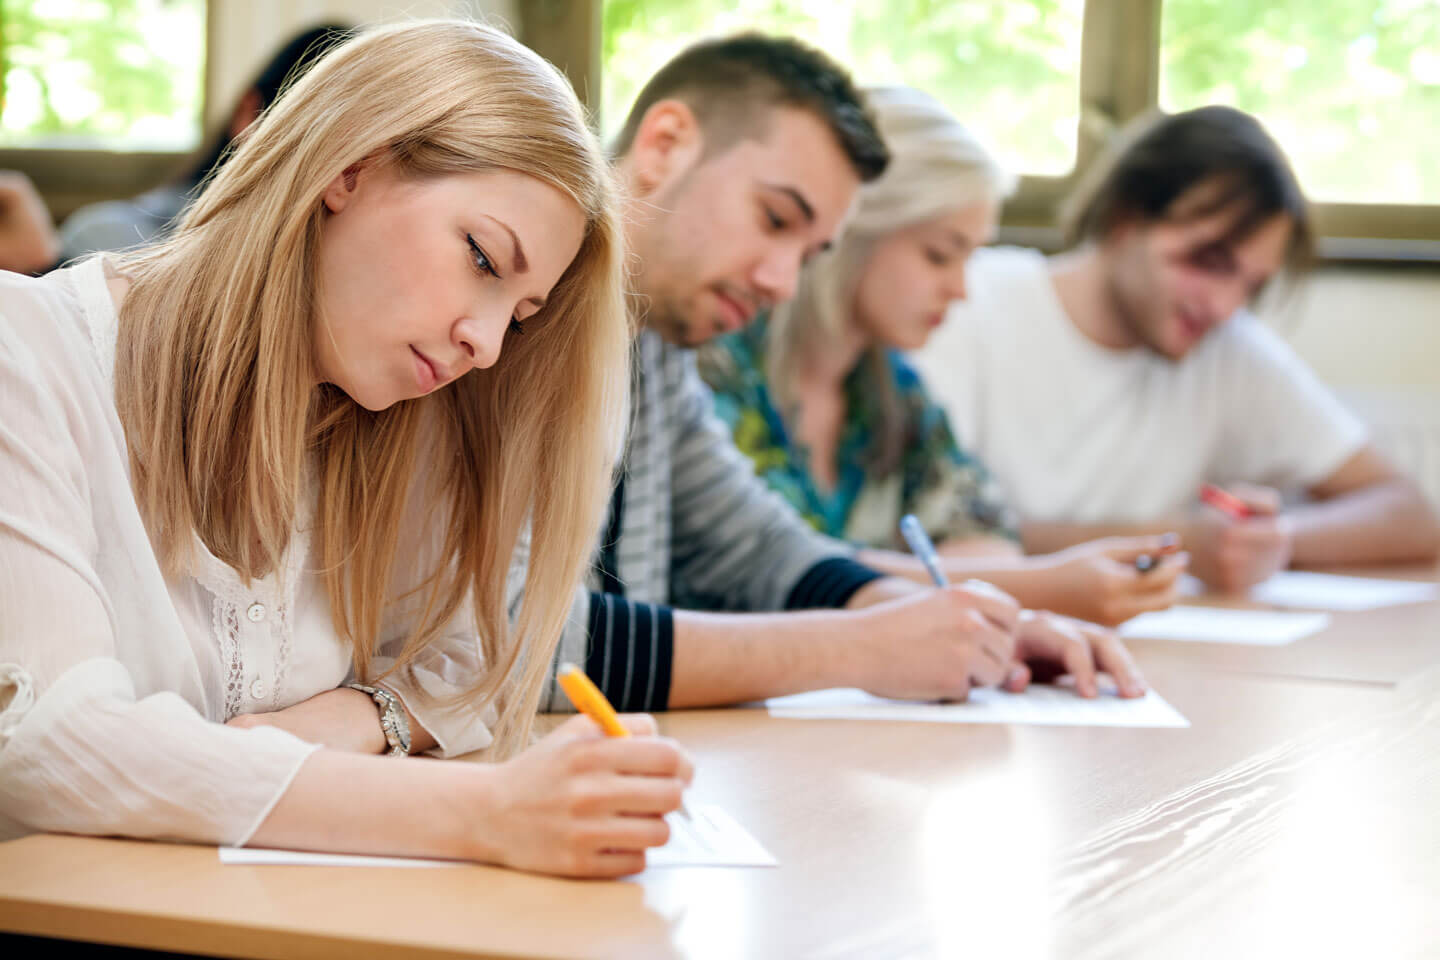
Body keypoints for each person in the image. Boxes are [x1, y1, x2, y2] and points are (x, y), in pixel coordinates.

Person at [0, 20, 692, 880]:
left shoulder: (395, 411)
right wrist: (489, 812)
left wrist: (353, 719)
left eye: (520, 314)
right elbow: (48, 741)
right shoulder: (23, 350)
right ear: (350, 166)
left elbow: (477, 650)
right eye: (481, 257)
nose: (486, 344)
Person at [533, 36, 1147, 705]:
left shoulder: (652, 342)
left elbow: (755, 545)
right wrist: (856, 649)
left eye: (809, 251)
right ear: (665, 145)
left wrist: (954, 628)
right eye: (774, 219)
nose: (782, 283)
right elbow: (500, 643)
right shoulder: (514, 320)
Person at [698, 86, 1188, 628]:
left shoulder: (889, 390)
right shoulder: (715, 366)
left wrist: (1012, 593)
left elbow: (976, 525)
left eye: (969, 259)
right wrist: (1038, 588)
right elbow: (767, 567)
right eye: (938, 255)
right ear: (852, 229)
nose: (960, 290)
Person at [913, 105, 1440, 592]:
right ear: (1125, 218)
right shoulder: (965, 304)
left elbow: (1413, 516)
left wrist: (1274, 540)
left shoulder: (1228, 349)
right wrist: (1177, 541)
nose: (1225, 305)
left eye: (1252, 286)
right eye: (1208, 262)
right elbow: (916, 533)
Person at [0, 24, 349, 274]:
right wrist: (48, 269)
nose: (337, 179)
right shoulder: (112, 239)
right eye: (317, 139)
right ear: (249, 115)